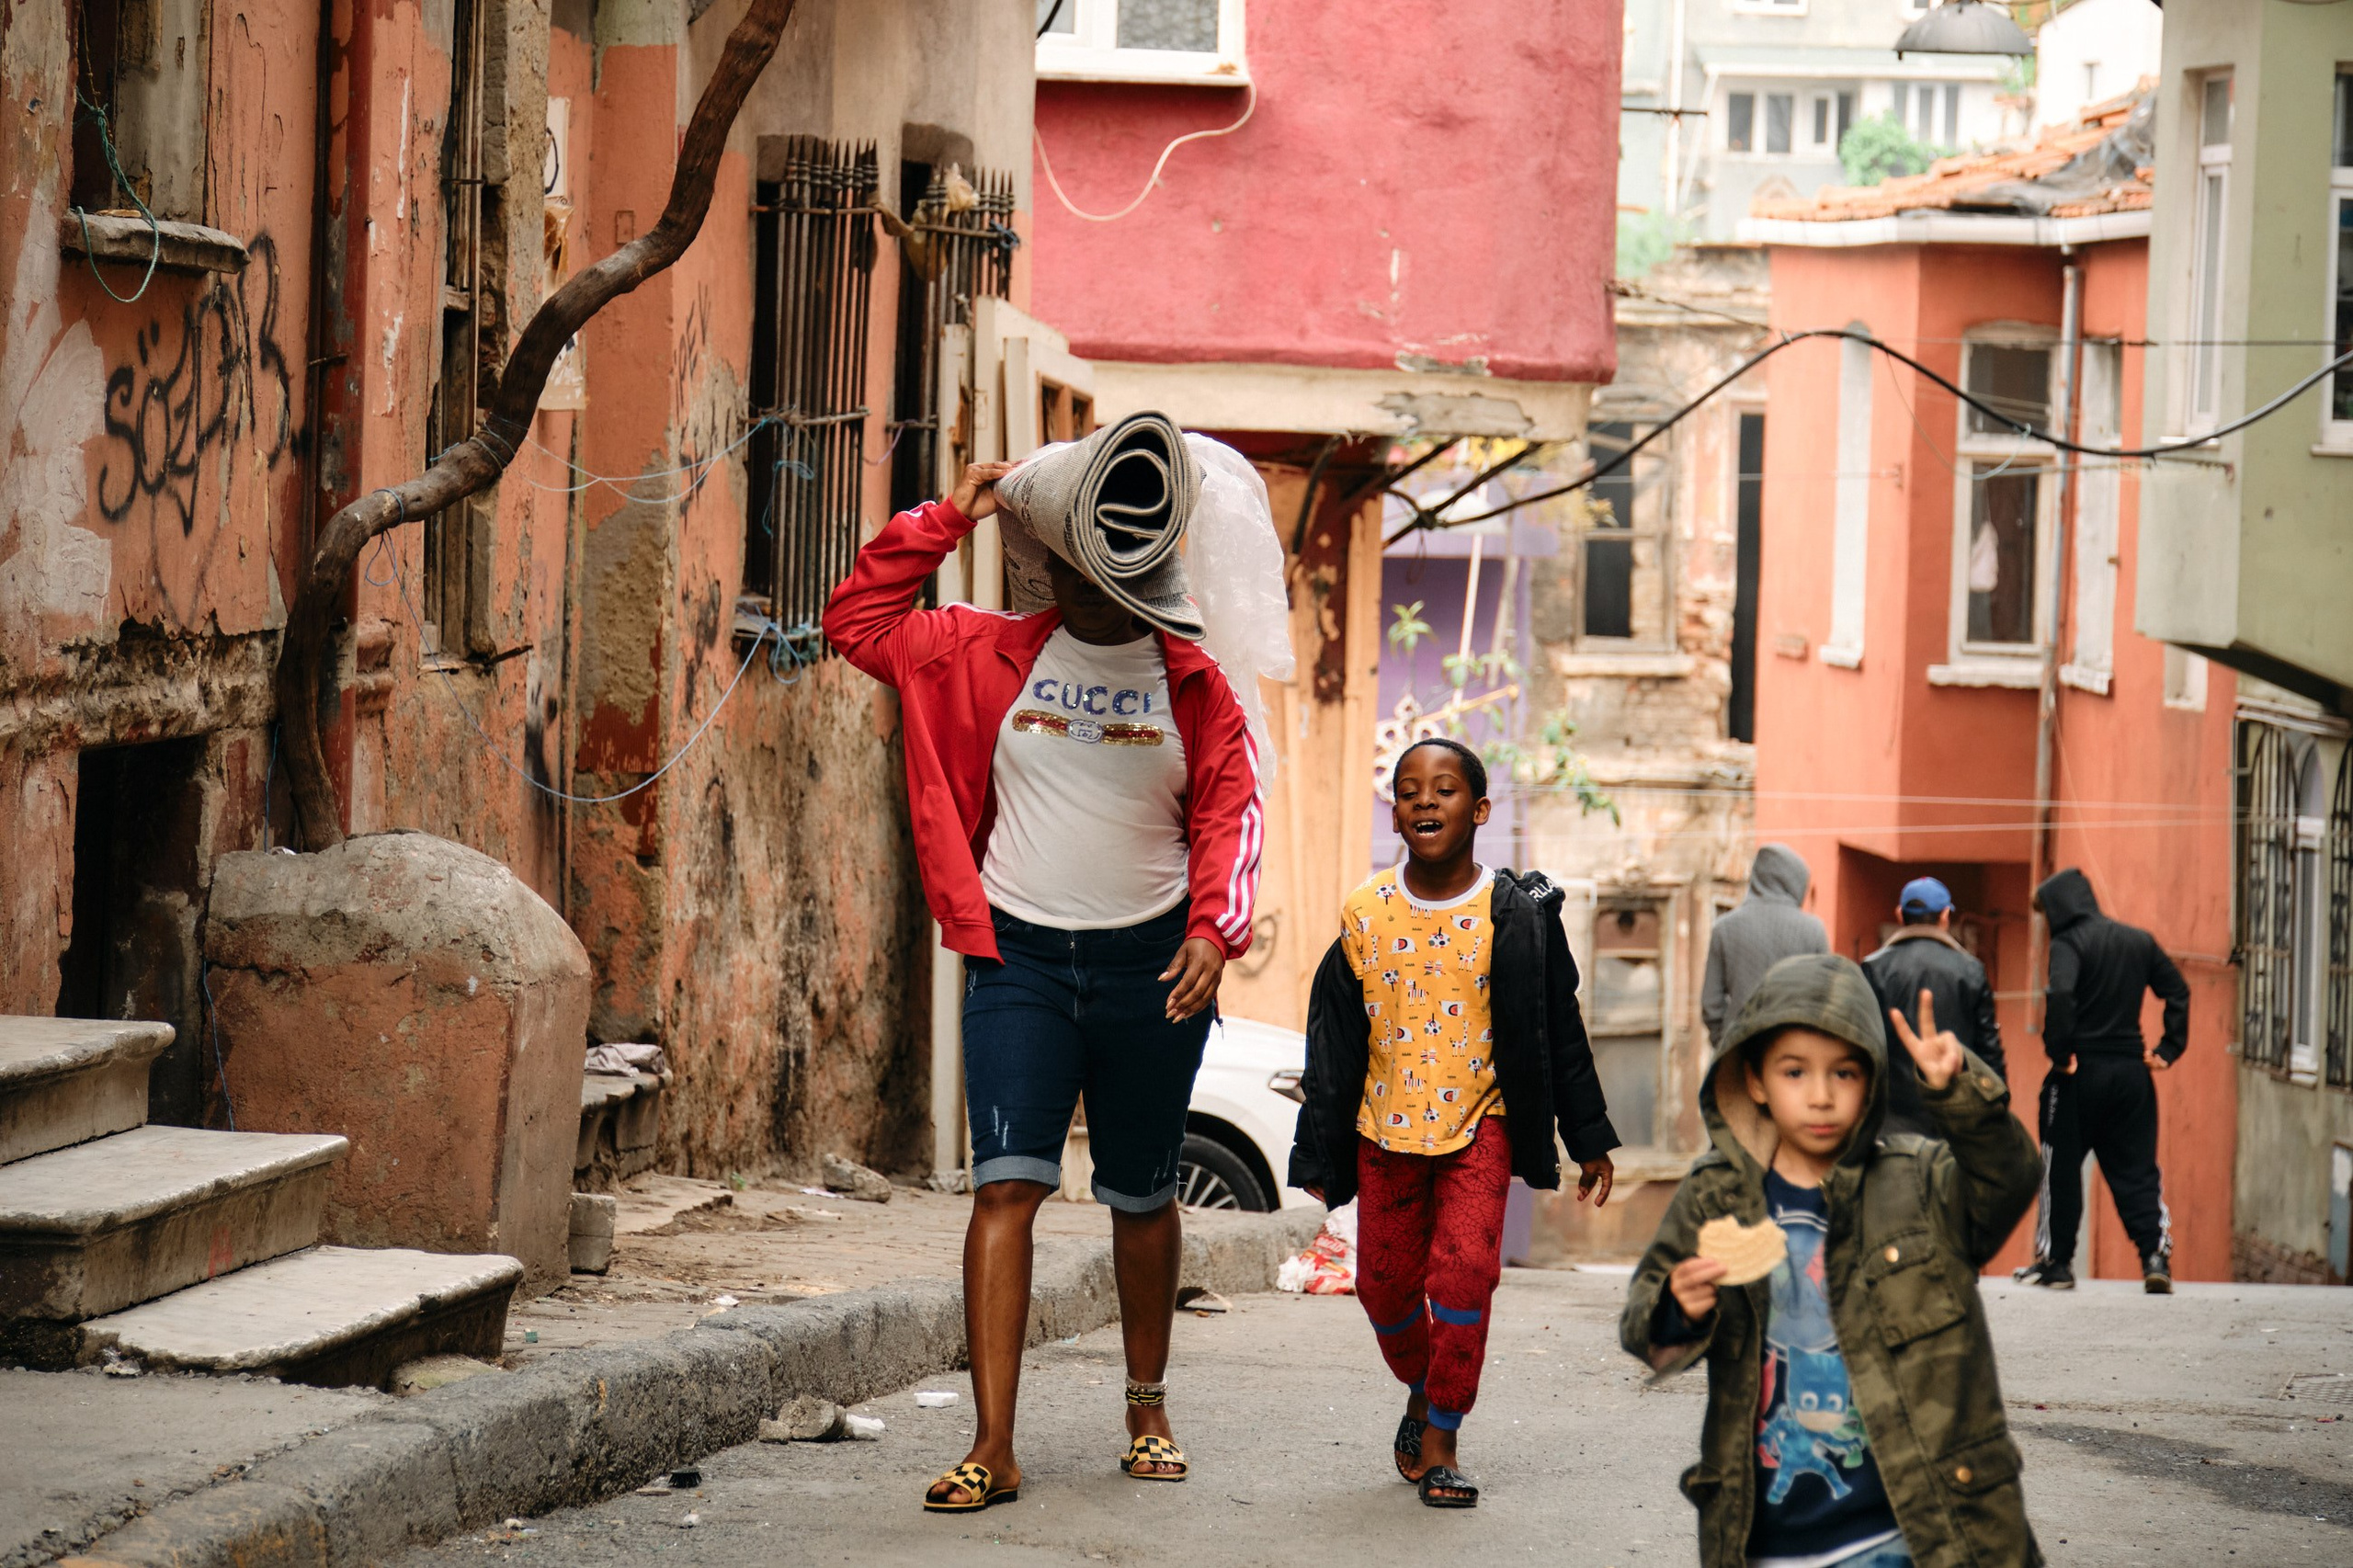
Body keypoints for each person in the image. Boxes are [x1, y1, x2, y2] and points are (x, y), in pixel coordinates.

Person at [823, 461, 1266, 1511]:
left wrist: (1215, 929)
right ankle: (992, 1442)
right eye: (1062, 560)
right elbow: (855, 619)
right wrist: (945, 516)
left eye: (1098, 569)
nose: (1073, 585)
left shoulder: (1196, 686)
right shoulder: (977, 647)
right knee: (1006, 1185)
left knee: (1141, 1193)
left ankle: (1147, 1403)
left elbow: (1229, 816)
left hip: (1150, 967)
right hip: (1015, 955)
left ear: (1144, 578)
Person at [1622, 955, 2042, 1568]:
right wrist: (1677, 1309)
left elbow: (2009, 1181)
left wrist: (1960, 1097)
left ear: (1870, 1081)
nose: (1821, 1097)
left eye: (1843, 1074)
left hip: (1908, 1533)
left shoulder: (1918, 1180)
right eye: (1796, 1072)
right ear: (1757, 1080)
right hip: (1764, 1540)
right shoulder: (1715, 1195)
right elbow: (1641, 1323)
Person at [1288, 737, 1619, 1509]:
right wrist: (1318, 1149)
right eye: (1409, 791)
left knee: (1466, 1277)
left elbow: (1555, 1030)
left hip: (1481, 1124)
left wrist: (1590, 1136)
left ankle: (1441, 1437)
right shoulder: (1366, 912)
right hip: (1383, 1132)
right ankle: (1424, 1383)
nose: (1426, 801)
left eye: (1444, 789)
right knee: (1382, 1289)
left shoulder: (1518, 917)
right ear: (1396, 813)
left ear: (1479, 810)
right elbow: (1333, 1043)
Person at [2016, 868, 2190, 1294]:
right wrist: (2168, 1049)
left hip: (2078, 1075)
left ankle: (2058, 1264)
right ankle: (2154, 1256)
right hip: (2132, 1075)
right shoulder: (2138, 941)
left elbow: (2060, 995)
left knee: (2059, 1166)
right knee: (2137, 1169)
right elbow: (2178, 990)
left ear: (2059, 908)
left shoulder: (2068, 944)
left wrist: (2060, 1055)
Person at [1861, 877, 2006, 1136]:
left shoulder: (1873, 968)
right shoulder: (1971, 970)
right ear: (1945, 915)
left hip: (1889, 1121)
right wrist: (1997, 1107)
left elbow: (1863, 1045)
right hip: (1956, 1118)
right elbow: (1988, 1047)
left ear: (1899, 914)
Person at [1703, 845, 1830, 1047]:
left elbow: (1711, 1004)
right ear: (1795, 883)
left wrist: (1724, 1042)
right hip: (1794, 1053)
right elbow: (1826, 998)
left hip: (1739, 1049)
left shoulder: (1723, 928)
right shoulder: (1813, 930)